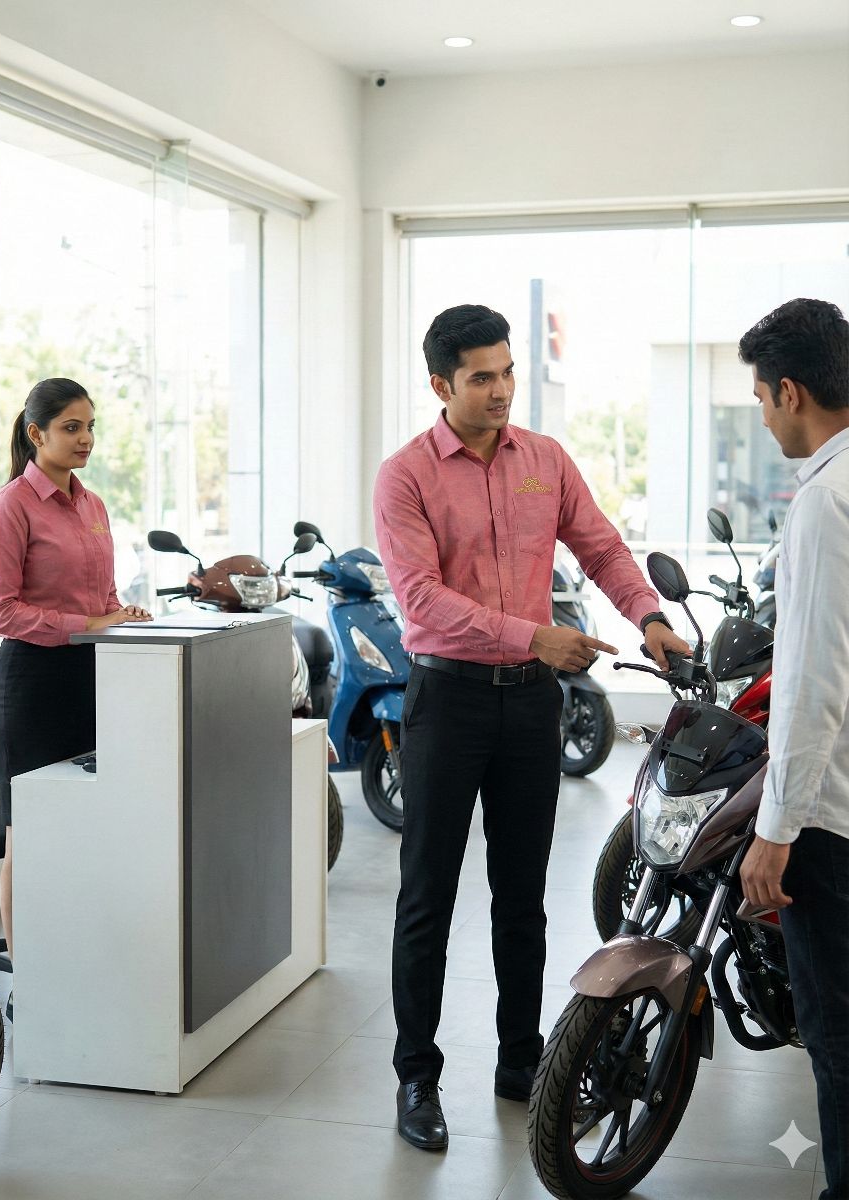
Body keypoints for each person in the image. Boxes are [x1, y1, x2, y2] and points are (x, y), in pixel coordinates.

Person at [372, 304, 690, 1151]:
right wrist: (534, 636)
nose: (502, 390)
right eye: (482, 377)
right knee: (427, 898)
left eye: (508, 371)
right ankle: (416, 1078)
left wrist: (649, 618)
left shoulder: (544, 460)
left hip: (529, 706)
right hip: (447, 699)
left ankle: (520, 1061)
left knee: (522, 899)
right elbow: (422, 598)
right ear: (440, 385)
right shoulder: (405, 476)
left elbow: (602, 548)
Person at [0, 378, 151, 992]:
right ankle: (31, 985)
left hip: (90, 678)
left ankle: (76, 976)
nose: (86, 439)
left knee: (84, 826)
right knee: (28, 834)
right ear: (36, 433)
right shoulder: (11, 507)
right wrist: (89, 622)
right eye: (71, 427)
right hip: (32, 683)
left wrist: (120, 613)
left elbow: (101, 596)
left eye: (90, 426)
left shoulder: (93, 505)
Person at [737, 299, 849, 1200]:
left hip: (834, 822)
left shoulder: (825, 500)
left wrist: (776, 831)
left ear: (790, 391)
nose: (764, 417)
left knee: (839, 1041)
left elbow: (811, 682)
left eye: (761, 399)